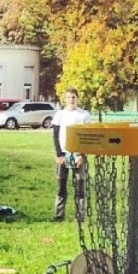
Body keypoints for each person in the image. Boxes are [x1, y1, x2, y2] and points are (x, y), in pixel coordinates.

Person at [51, 88, 91, 221]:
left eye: (73, 97)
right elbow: (56, 135)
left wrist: (82, 155)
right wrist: (59, 155)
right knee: (61, 187)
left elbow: (86, 137)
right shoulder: (60, 114)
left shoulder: (83, 115)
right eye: (68, 97)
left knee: (80, 187)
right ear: (65, 99)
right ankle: (58, 215)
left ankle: (80, 216)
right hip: (64, 153)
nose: (71, 100)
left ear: (77, 98)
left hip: (78, 154)